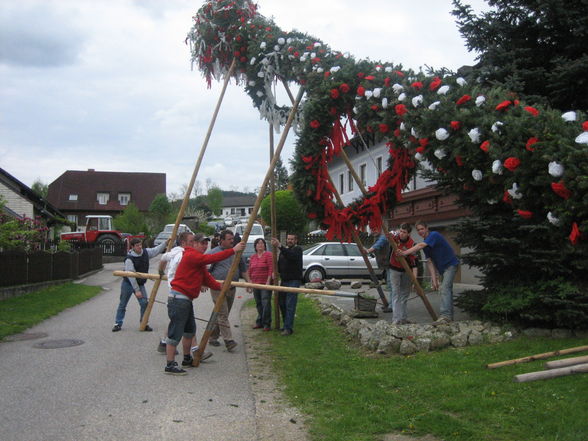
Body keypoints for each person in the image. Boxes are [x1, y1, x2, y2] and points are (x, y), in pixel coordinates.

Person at [164, 232, 245, 375]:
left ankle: (187, 358)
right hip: (178, 299)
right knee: (175, 332)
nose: (205, 246)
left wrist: (221, 287)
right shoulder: (191, 255)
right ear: (194, 244)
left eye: (206, 243)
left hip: (186, 300)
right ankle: (170, 364)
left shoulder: (198, 261)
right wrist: (233, 250)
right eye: (201, 243)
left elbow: (208, 279)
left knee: (189, 331)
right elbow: (212, 258)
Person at [156, 232, 212, 362]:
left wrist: (160, 271)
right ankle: (194, 351)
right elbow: (192, 272)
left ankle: (164, 343)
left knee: (179, 322)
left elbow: (163, 258)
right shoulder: (183, 254)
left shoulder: (175, 252)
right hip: (179, 292)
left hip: (178, 291)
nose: (194, 243)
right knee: (185, 325)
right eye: (192, 241)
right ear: (183, 243)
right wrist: (201, 283)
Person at [399, 220, 459, 324]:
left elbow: (419, 246)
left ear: (427, 228)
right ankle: (449, 318)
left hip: (451, 265)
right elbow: (430, 262)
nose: (420, 231)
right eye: (418, 230)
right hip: (442, 269)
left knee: (445, 289)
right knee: (447, 290)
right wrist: (434, 280)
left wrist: (404, 253)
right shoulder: (426, 244)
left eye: (422, 229)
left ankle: (445, 316)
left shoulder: (434, 235)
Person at [206, 229, 250, 350]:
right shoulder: (214, 253)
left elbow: (243, 269)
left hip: (232, 287)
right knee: (223, 314)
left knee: (221, 314)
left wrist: (248, 282)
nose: (232, 241)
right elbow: (205, 270)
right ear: (222, 240)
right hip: (217, 287)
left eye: (232, 239)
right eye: (229, 239)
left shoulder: (237, 252)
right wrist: (203, 283)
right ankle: (229, 340)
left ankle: (212, 336)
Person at [112, 237, 166, 332]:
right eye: (137, 246)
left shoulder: (145, 252)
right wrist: (137, 290)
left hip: (140, 283)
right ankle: (117, 323)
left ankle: (143, 323)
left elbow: (156, 250)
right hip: (128, 283)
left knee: (144, 303)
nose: (140, 247)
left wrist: (166, 243)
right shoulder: (129, 259)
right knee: (123, 304)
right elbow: (131, 276)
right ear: (132, 247)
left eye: (140, 245)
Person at [271, 234, 303, 336]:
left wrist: (280, 246)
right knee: (282, 303)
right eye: (288, 239)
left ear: (296, 240)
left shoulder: (297, 250)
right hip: (284, 281)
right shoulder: (284, 252)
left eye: (292, 239)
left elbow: (291, 256)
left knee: (290, 305)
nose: (290, 241)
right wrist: (275, 272)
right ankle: (286, 324)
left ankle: (288, 328)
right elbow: (280, 263)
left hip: (293, 281)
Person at [388, 223, 418, 325]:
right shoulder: (395, 238)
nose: (401, 234)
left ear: (408, 234)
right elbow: (388, 234)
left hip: (406, 271)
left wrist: (414, 281)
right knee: (395, 293)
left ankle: (403, 318)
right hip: (394, 269)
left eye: (404, 232)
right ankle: (396, 320)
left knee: (404, 295)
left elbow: (415, 264)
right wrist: (393, 233)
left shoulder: (412, 244)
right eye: (401, 231)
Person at [247, 238, 273, 331]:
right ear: (255, 246)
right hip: (255, 283)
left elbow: (271, 268)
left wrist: (268, 281)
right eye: (258, 244)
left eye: (262, 243)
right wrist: (249, 283)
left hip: (264, 283)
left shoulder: (268, 255)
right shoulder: (253, 257)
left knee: (265, 302)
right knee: (258, 303)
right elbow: (250, 270)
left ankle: (267, 323)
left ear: (264, 245)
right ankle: (260, 321)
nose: (260, 245)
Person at [366, 226, 392, 312]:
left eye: (375, 228)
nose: (374, 231)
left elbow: (377, 246)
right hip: (385, 264)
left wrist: (368, 250)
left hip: (390, 264)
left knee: (391, 285)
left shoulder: (382, 238)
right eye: (373, 229)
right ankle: (390, 305)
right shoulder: (376, 238)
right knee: (390, 285)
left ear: (380, 229)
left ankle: (392, 306)